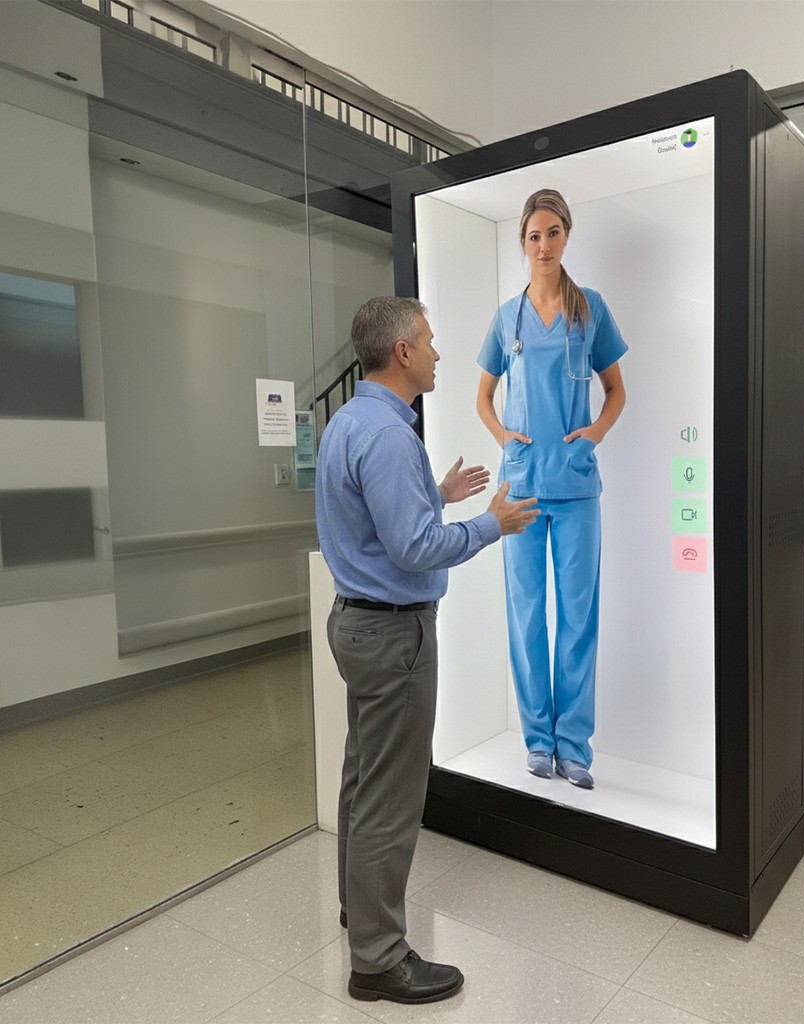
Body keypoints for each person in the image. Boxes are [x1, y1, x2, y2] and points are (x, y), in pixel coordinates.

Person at [317, 296, 539, 1006]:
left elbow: (376, 522)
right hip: (392, 634)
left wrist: (432, 493)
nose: (441, 353)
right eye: (431, 342)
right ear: (404, 354)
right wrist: (489, 525)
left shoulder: (353, 423)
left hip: (359, 624)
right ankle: (378, 959)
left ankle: (363, 910)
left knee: (363, 781)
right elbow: (412, 549)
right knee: (389, 795)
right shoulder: (385, 436)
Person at [476, 188, 628, 791]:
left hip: (575, 488)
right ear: (523, 242)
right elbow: (482, 398)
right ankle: (538, 741)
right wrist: (505, 439)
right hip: (520, 492)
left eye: (553, 233)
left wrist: (589, 437)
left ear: (567, 236)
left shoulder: (590, 308)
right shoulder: (506, 317)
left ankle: (575, 746)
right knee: (526, 614)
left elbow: (616, 390)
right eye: (534, 235)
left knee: (578, 616)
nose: (544, 245)